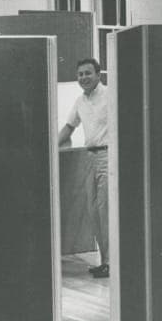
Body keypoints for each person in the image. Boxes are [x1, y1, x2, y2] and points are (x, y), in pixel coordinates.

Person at [58, 58, 110, 278]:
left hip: (109, 156)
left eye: (88, 73)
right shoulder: (80, 101)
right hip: (90, 157)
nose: (83, 78)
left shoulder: (110, 95)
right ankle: (105, 260)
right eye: (80, 74)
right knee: (93, 213)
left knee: (105, 210)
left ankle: (111, 262)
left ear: (98, 74)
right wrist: (49, 147)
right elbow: (69, 127)